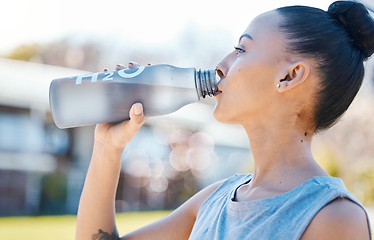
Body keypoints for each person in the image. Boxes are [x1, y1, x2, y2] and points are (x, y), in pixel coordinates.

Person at [76, 1, 373, 239]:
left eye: (242, 49)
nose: (220, 65)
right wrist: (107, 148)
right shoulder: (214, 201)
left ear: (289, 76)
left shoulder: (333, 218)